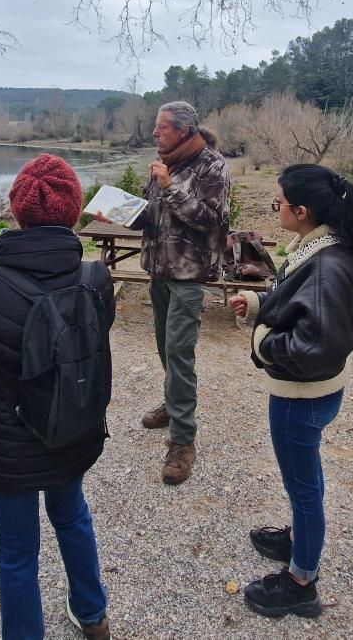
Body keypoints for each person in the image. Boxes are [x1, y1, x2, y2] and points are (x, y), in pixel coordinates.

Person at [0, 154, 115, 640]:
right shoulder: (96, 278)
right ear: (73, 209)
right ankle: (92, 614)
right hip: (73, 426)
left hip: (9, 439)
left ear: (18, 210)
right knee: (72, 515)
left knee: (16, 549)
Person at [227, 164, 353, 619]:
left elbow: (314, 346)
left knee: (304, 488)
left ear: (301, 211)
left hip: (301, 397)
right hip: (313, 393)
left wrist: (263, 341)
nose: (275, 209)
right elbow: (302, 305)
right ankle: (298, 539)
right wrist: (260, 304)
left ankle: (300, 582)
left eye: (279, 202)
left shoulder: (326, 265)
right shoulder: (323, 247)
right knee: (303, 481)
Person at [121, 100, 230, 485]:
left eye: (162, 127)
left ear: (184, 130)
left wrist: (170, 187)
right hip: (159, 272)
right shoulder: (163, 163)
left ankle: (183, 441)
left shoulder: (212, 166)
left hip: (188, 276)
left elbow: (211, 220)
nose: (155, 133)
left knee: (179, 354)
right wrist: (120, 213)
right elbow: (151, 216)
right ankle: (173, 403)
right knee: (165, 348)